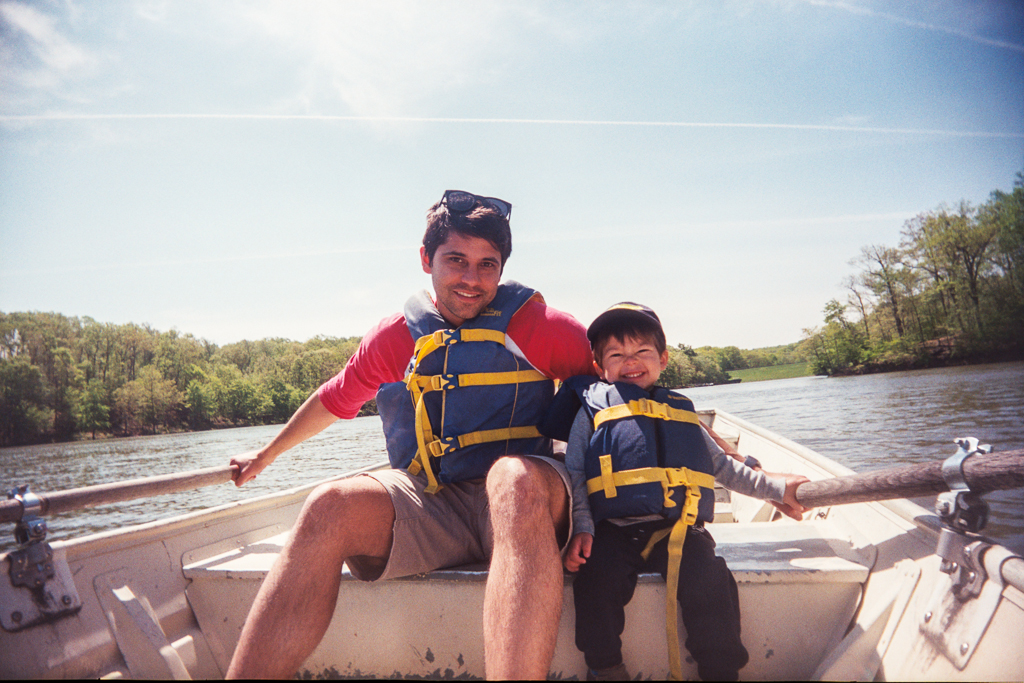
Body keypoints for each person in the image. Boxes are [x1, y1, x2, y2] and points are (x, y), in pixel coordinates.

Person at [224, 190, 596, 680]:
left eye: (487, 265)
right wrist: (266, 454)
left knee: (512, 479)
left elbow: (621, 394)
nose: (471, 279)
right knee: (327, 505)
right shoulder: (396, 337)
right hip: (435, 501)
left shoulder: (543, 328)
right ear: (426, 259)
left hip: (528, 498)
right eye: (456, 260)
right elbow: (335, 397)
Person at [540, 302, 809, 681]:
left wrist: (778, 488)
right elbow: (577, 472)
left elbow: (723, 467)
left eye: (642, 351)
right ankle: (605, 667)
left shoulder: (681, 412)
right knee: (595, 583)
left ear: (663, 358)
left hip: (680, 528)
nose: (631, 361)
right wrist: (582, 526)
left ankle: (720, 671)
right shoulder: (591, 412)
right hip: (612, 530)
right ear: (600, 367)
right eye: (616, 355)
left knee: (711, 583)